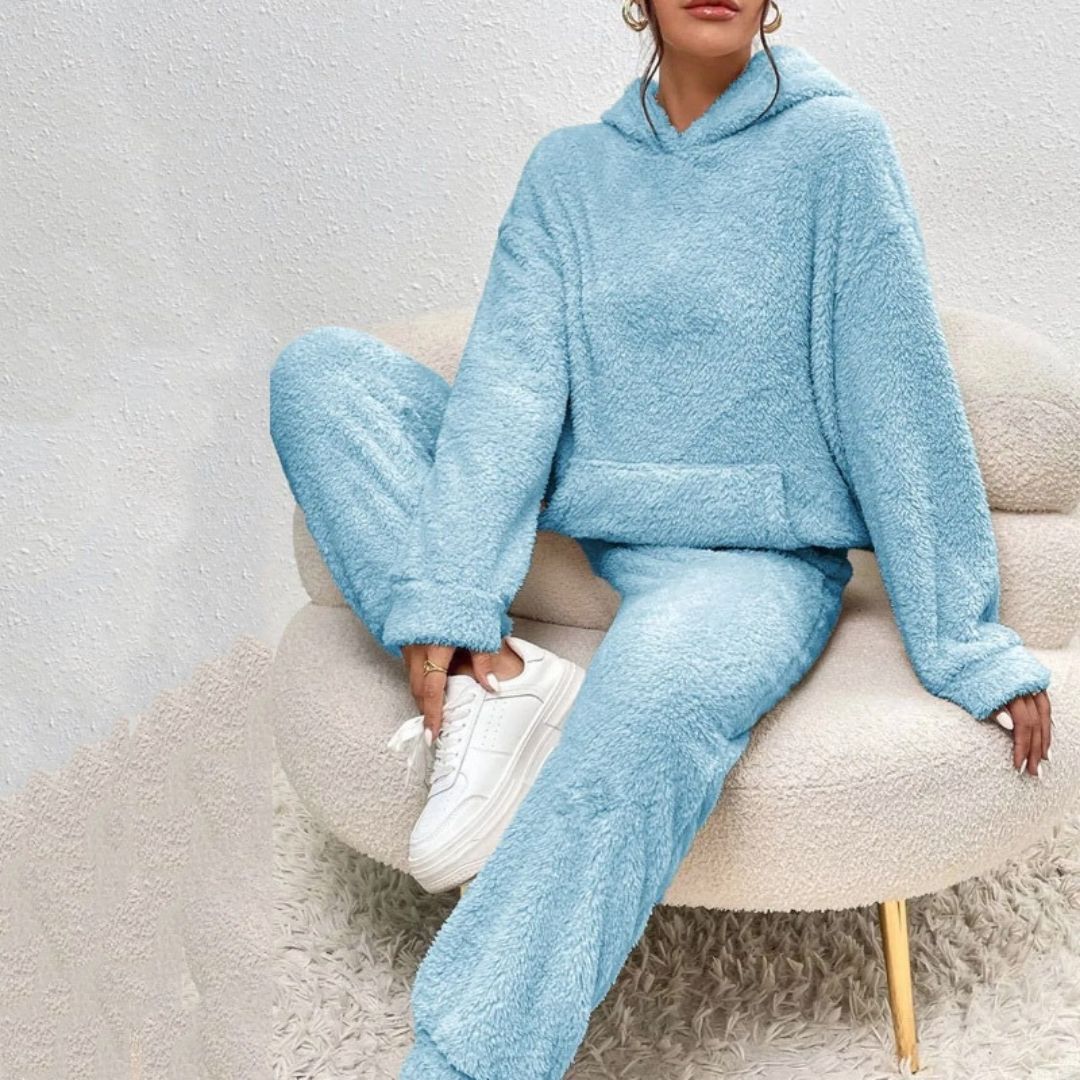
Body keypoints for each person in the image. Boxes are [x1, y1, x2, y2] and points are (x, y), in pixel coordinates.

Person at [269, 2, 1055, 1076]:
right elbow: (509, 389)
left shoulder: (836, 149)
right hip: (580, 533)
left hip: (748, 566)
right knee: (322, 376)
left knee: (651, 700)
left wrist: (964, 639)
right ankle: (501, 685)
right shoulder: (569, 171)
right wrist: (453, 596)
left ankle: (464, 1060)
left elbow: (898, 395)